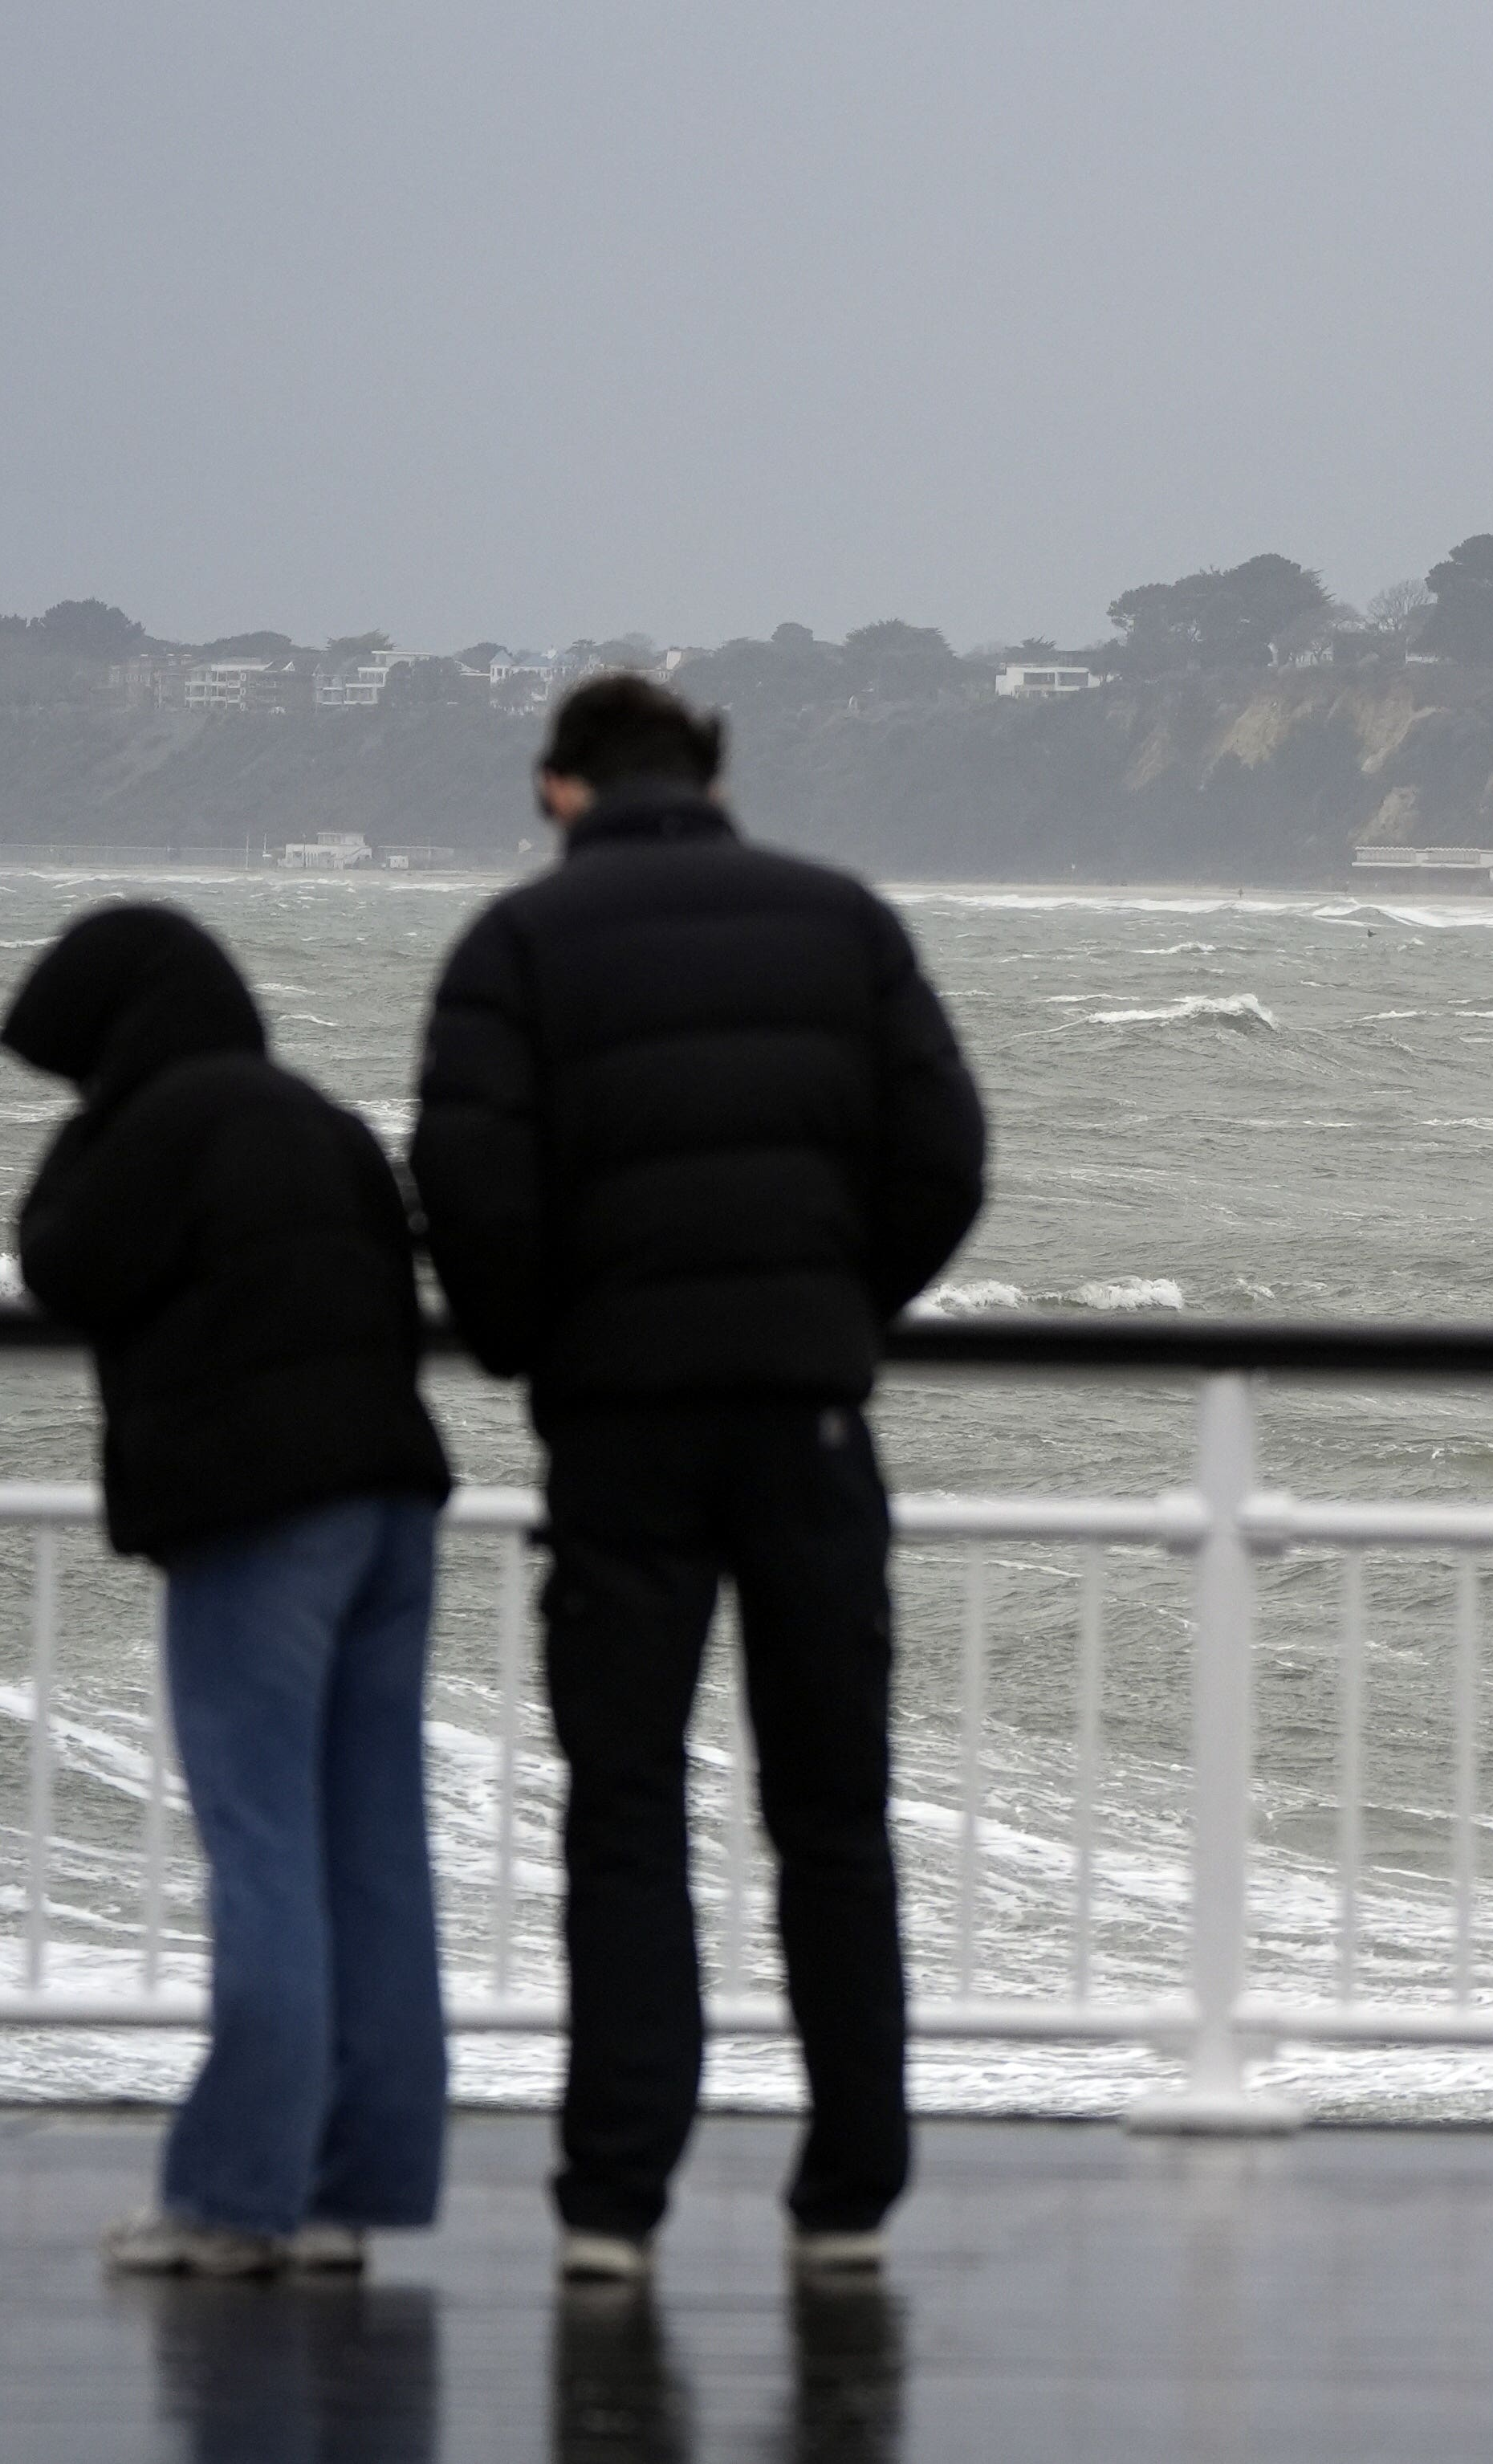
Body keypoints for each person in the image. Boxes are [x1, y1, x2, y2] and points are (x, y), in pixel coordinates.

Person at [413, 674, 987, 2284]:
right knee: (831, 1814)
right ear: (715, 772)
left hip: (620, 1433)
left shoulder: (515, 950)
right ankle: (848, 2198)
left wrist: (543, 1344)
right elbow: (946, 1156)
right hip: (807, 1422)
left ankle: (614, 2199)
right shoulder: (841, 922)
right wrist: (835, 1306)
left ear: (557, 790)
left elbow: (464, 1179)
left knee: (626, 1810)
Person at [0, 904, 456, 2278]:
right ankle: (345, 2193)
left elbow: (59, 1263)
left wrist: (95, 1124)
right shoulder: (317, 1118)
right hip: (395, 1509)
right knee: (372, 1858)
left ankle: (231, 2200)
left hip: (262, 1522)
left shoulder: (156, 1123)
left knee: (261, 1856)